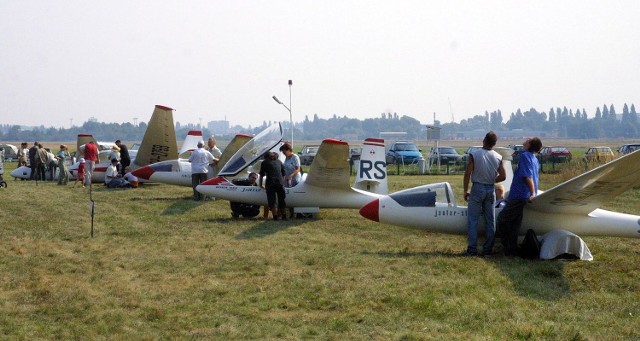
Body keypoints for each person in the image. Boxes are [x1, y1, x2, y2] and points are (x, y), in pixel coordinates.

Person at [463, 131, 507, 256]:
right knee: (490, 220)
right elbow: (503, 176)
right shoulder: (498, 157)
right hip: (490, 189)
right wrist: (492, 180)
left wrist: (465, 190)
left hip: (477, 188)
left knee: (473, 219)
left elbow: (467, 174)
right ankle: (488, 250)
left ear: (484, 140)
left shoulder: (474, 154)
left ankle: (472, 250)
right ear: (494, 144)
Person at [497, 137, 542, 256]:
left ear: (529, 145)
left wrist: (532, 193)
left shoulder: (525, 156)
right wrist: (532, 193)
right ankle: (511, 250)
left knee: (502, 219)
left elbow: (527, 176)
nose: (524, 142)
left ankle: (507, 245)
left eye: (527, 141)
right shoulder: (534, 159)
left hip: (519, 195)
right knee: (515, 224)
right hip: (522, 195)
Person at [259, 151, 287, 220]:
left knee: (272, 200)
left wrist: (260, 184)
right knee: (282, 199)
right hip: (280, 183)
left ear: (266, 157)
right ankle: (284, 215)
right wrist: (282, 183)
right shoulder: (279, 162)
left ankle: (275, 217)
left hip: (270, 182)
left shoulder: (264, 162)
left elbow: (261, 175)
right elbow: (283, 174)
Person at [280, 143, 301, 218]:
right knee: (288, 196)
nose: (283, 153)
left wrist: (291, 176)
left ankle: (296, 213)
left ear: (289, 150)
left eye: (284, 152)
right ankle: (291, 213)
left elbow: (298, 169)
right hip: (287, 179)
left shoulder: (295, 157)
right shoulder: (287, 157)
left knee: (295, 195)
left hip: (294, 178)